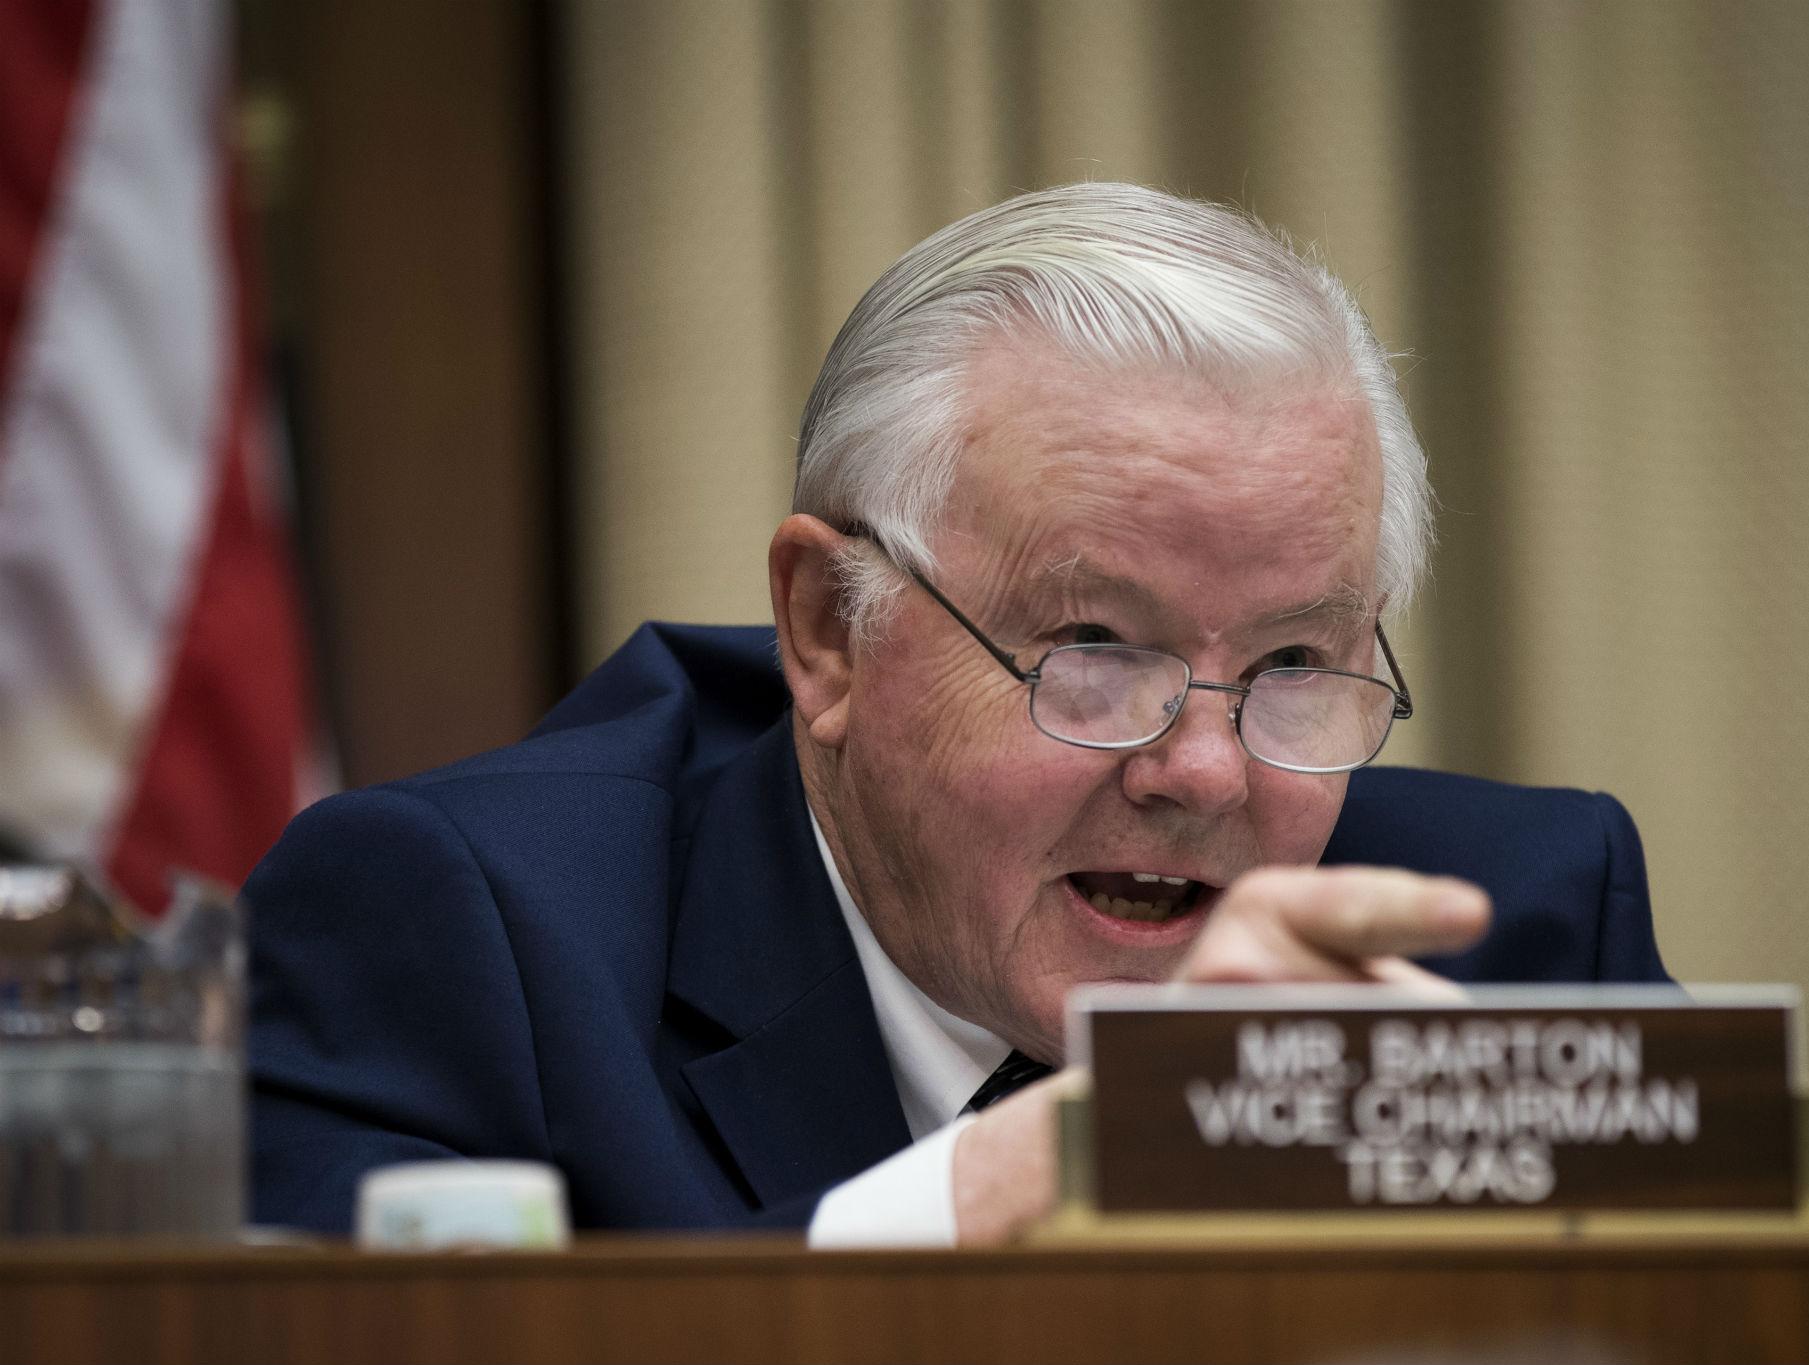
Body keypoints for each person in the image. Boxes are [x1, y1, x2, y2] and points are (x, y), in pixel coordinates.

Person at [246, 183, 1669, 1246]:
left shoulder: (1519, 931)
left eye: (1298, 663)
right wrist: (983, 1195)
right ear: (827, 631)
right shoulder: (465, 938)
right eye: (1098, 645)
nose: (1202, 769)